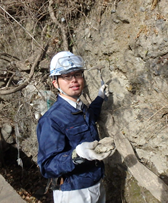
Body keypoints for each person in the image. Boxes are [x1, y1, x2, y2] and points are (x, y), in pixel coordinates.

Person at [37, 51, 111, 203]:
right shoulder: (51, 120)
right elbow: (47, 166)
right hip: (74, 192)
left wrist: (100, 97)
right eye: (66, 76)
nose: (74, 80)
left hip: (96, 183)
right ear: (55, 83)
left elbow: (90, 116)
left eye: (77, 74)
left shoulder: (79, 108)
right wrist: (77, 155)